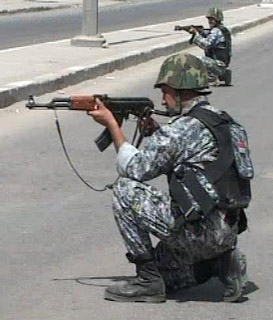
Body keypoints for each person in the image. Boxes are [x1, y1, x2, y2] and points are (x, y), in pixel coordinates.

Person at [87, 53, 253, 303]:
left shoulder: (180, 130)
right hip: (227, 229)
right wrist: (158, 134)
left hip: (200, 232)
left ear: (179, 91)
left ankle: (147, 281)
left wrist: (112, 125)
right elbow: (199, 167)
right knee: (167, 274)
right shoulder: (226, 122)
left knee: (124, 190)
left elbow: (135, 169)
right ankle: (220, 263)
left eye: (164, 92)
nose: (162, 100)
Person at [188, 7, 232, 86]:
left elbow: (206, 45)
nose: (209, 21)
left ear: (217, 19)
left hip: (217, 65)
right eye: (209, 19)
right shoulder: (223, 29)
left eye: (212, 19)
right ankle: (223, 74)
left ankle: (212, 77)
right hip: (222, 64)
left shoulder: (216, 31)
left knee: (197, 59)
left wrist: (196, 35)